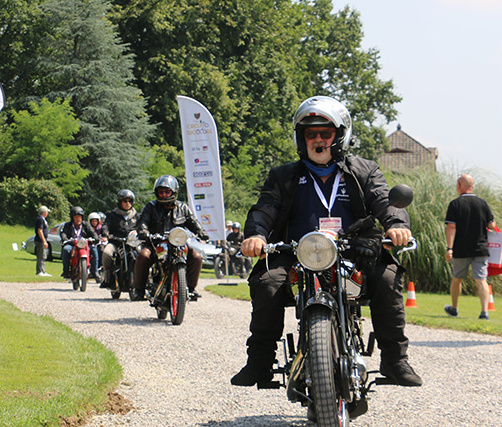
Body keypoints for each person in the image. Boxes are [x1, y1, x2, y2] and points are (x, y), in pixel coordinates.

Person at [231, 95, 421, 388]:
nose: (318, 139)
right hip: (297, 252)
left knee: (387, 277)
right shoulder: (283, 176)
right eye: (311, 134)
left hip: (354, 249)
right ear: (300, 138)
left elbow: (385, 200)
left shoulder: (364, 171)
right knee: (267, 283)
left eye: (326, 133)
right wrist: (256, 235)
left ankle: (395, 361)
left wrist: (396, 225)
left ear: (341, 136)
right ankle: (259, 362)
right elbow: (264, 208)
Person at [133, 176, 207, 301]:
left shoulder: (182, 208)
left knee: (197, 257)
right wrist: (143, 231)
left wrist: (201, 231)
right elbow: (143, 222)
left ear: (173, 192)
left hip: (178, 243)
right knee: (143, 255)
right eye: (161, 192)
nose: (163, 195)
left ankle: (191, 288)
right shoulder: (150, 207)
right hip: (155, 242)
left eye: (167, 192)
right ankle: (139, 290)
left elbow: (193, 222)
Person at [444, 174, 497, 320]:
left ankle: (454, 309)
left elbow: (451, 227)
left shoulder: (455, 204)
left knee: (457, 279)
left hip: (461, 249)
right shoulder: (482, 203)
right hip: (481, 249)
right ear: (472, 186)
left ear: (459, 185)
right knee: (481, 279)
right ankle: (484, 312)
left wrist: (450, 248)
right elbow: (492, 225)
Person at [101, 189, 139, 289]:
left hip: (132, 244)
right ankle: (107, 278)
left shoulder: (136, 215)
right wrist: (105, 233)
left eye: (129, 201)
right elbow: (105, 225)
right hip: (116, 242)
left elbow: (142, 226)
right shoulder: (112, 215)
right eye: (125, 201)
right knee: (107, 253)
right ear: (120, 202)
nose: (127, 203)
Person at [60, 206, 99, 279]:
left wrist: (96, 238)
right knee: (66, 249)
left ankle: (94, 272)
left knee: (94, 249)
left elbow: (93, 233)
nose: (78, 219)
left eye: (80, 217)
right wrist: (65, 238)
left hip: (85, 245)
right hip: (72, 244)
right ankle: (66, 271)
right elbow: (63, 233)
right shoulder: (67, 225)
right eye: (76, 217)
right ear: (72, 217)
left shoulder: (86, 225)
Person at [34, 205, 51, 277]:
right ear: (44, 212)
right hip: (40, 241)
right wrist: (44, 241)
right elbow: (40, 231)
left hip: (42, 240)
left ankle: (43, 271)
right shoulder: (40, 219)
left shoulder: (42, 219)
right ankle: (40, 271)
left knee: (43, 255)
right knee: (41, 256)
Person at [87, 212, 105, 278]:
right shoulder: (87, 228)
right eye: (93, 221)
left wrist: (104, 237)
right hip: (90, 244)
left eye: (96, 221)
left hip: (99, 243)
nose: (94, 222)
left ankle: (101, 267)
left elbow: (104, 234)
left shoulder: (101, 227)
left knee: (102, 250)